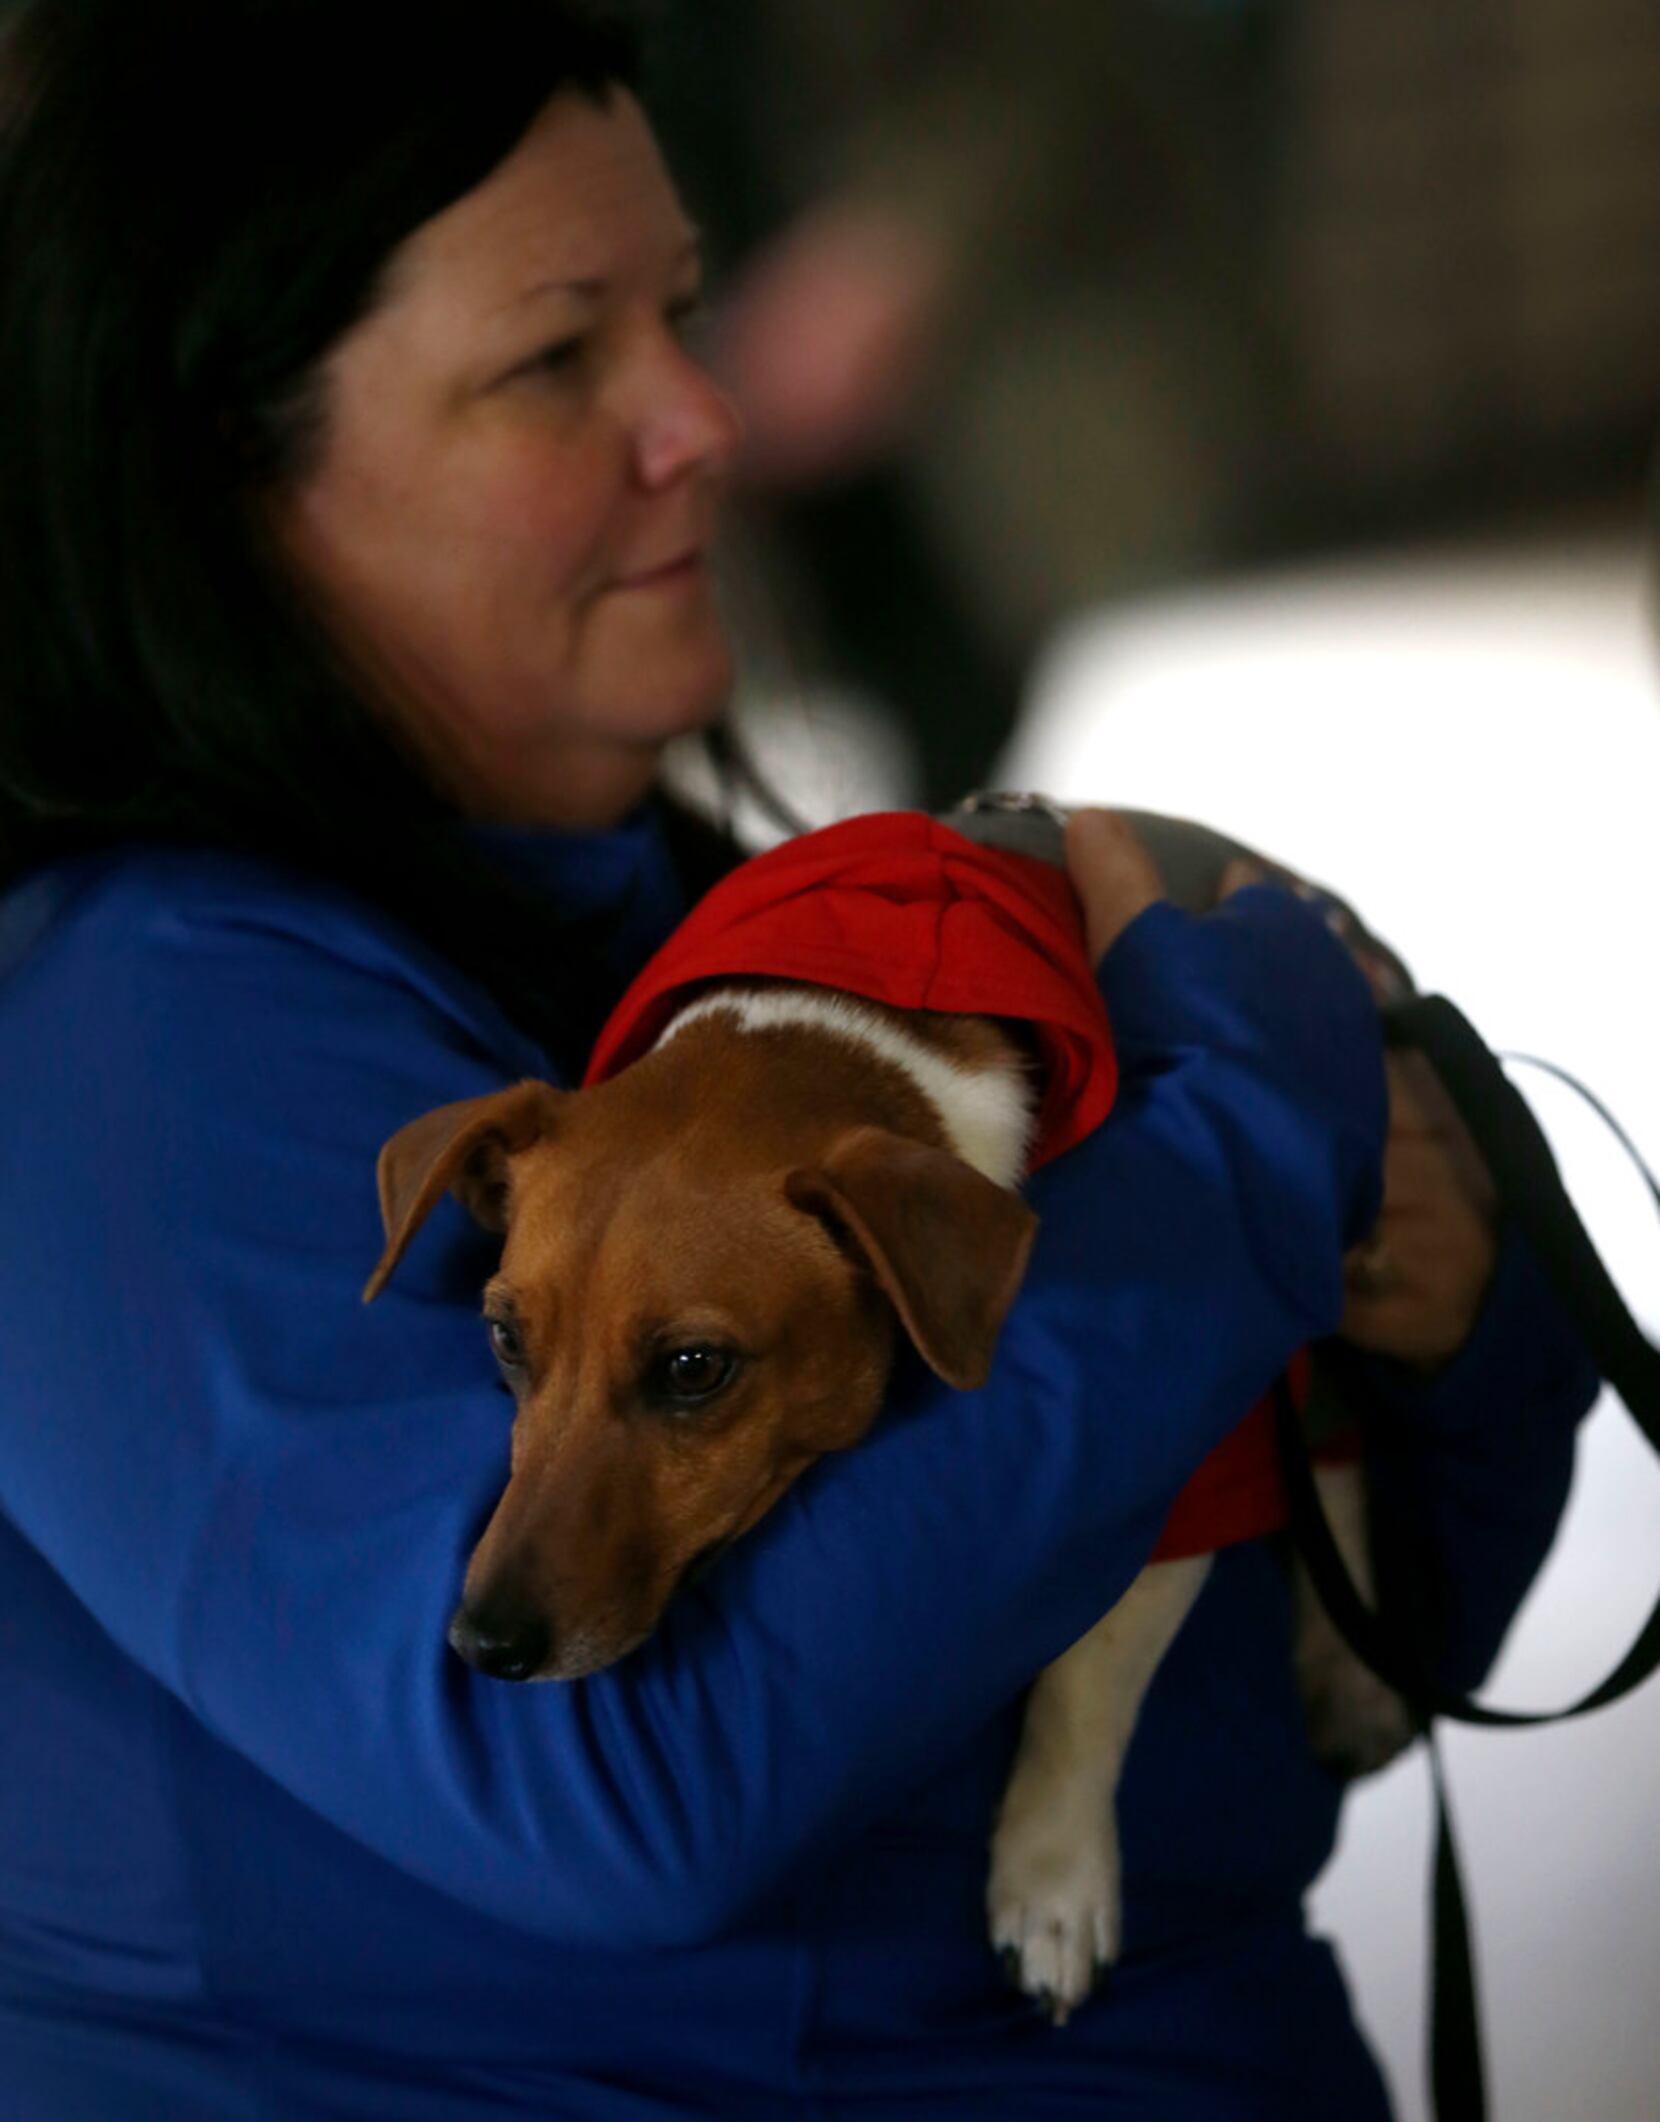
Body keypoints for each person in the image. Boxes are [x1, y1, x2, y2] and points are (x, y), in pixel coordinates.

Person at [0, 4, 1597, 2117]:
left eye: (680, 311)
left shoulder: (763, 984)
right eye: (556, 356)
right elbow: (607, 1785)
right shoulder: (129, 1047)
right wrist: (1260, 1069)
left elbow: (1344, 1679)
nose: (700, 416)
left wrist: (1468, 1319)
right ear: (231, 474)